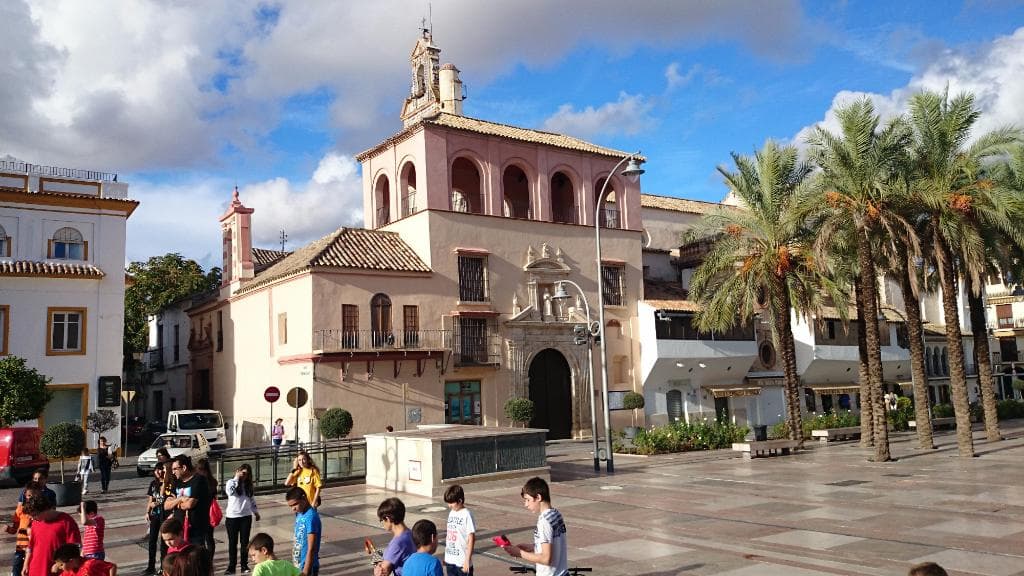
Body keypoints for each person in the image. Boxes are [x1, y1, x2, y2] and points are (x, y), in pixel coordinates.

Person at [501, 477, 567, 576]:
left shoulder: (544, 522)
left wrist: (520, 553)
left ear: (538, 498)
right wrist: (533, 547)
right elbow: (554, 544)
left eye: (528, 500)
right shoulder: (555, 514)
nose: (525, 504)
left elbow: (546, 559)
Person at [21, 493, 81, 576]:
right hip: (36, 569)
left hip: (55, 570)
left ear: (45, 509)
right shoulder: (35, 522)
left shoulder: (66, 521)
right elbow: (31, 546)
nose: (32, 518)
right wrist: (26, 564)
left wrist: (58, 564)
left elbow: (74, 548)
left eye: (34, 515)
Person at [167, 455, 212, 548]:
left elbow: (189, 504)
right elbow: (167, 505)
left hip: (195, 529)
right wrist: (180, 499)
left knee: (195, 558)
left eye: (175, 469)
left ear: (184, 468)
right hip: (179, 529)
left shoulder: (199, 480)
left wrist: (176, 503)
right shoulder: (176, 482)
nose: (173, 472)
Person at [225, 464, 261, 575]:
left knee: (245, 543)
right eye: (242, 472)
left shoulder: (248, 485)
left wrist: (256, 513)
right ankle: (231, 567)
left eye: (246, 473)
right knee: (232, 543)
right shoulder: (231, 482)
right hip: (232, 517)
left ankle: (244, 565)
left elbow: (252, 500)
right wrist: (237, 478)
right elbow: (230, 492)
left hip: (245, 517)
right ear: (237, 471)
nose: (244, 475)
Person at [146, 463, 176, 575]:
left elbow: (163, 499)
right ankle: (150, 566)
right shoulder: (153, 484)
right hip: (155, 515)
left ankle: (164, 567)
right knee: (152, 541)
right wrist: (147, 511)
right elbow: (151, 499)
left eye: (161, 469)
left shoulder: (168, 484)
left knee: (164, 542)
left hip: (165, 515)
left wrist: (156, 503)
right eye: (156, 470)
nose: (158, 472)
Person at [7, 482, 42, 576]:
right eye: (29, 495)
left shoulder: (42, 512)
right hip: (20, 548)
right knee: (16, 571)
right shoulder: (20, 510)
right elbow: (14, 530)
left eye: (34, 495)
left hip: (35, 549)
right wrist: (8, 529)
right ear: (25, 495)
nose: (31, 497)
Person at [374, 497, 415, 576]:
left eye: (381, 520)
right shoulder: (411, 533)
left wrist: (377, 566)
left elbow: (382, 573)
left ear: (388, 519)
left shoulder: (398, 543)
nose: (382, 523)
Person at [286, 487, 321, 576]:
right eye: (290, 506)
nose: (293, 509)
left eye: (295, 504)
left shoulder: (311, 517)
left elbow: (311, 548)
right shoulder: (300, 514)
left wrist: (306, 570)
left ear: (304, 498)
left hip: (308, 567)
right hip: (299, 563)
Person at [443, 485, 475, 576]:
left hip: (462, 562)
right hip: (450, 560)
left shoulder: (467, 515)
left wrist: (467, 560)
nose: (449, 506)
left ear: (460, 501)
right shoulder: (451, 513)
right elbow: (449, 536)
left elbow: (471, 538)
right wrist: (446, 556)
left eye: (451, 503)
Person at [195, 458, 220, 557]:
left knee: (201, 538)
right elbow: (214, 497)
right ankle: (209, 558)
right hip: (209, 512)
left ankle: (204, 558)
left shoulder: (198, 481)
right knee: (209, 537)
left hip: (201, 512)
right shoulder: (212, 481)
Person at [51, 543, 116, 576]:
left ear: (71, 561)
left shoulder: (90, 564)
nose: (60, 567)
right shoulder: (69, 572)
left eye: (61, 565)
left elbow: (112, 566)